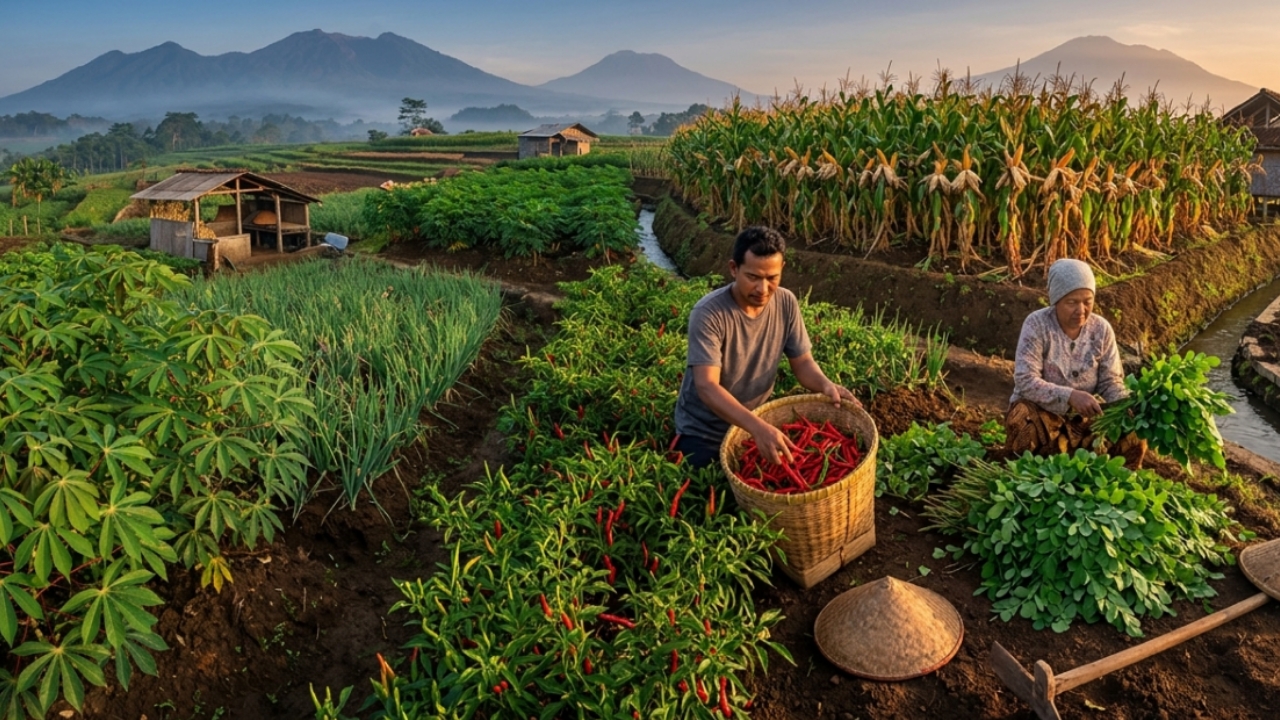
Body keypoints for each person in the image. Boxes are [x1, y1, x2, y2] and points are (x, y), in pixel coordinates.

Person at [673, 226, 859, 469]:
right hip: (705, 431)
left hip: (754, 424)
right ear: (733, 269)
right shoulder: (709, 314)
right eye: (753, 277)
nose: (763, 289)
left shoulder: (785, 302)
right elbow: (707, 386)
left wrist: (826, 385)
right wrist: (757, 428)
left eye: (772, 278)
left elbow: (802, 362)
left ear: (781, 270)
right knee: (717, 489)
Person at [1006, 258, 1146, 467]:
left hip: (1085, 421)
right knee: (1021, 418)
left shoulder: (1101, 329)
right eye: (1072, 302)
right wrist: (1069, 396)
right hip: (1044, 416)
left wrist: (1127, 403)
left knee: (1134, 430)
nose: (1081, 309)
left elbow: (1110, 381)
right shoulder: (1037, 325)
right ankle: (1026, 471)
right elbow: (1025, 380)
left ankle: (1116, 482)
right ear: (1056, 300)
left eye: (1087, 301)